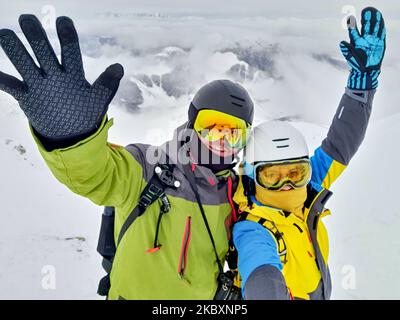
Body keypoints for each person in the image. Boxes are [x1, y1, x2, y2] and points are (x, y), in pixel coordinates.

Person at [0, 15, 254, 299]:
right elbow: (95, 175)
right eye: (212, 129)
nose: (221, 142)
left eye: (234, 134)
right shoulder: (148, 165)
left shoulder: (238, 192)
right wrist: (71, 138)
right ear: (192, 124)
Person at [232, 7, 386, 300]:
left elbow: (341, 144)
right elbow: (261, 270)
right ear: (252, 177)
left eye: (295, 172)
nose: (287, 184)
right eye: (272, 176)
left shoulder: (309, 186)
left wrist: (362, 83)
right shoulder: (253, 229)